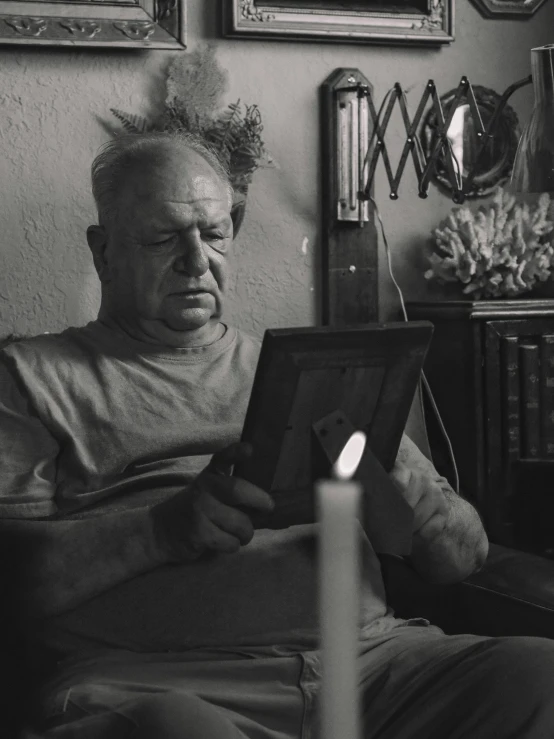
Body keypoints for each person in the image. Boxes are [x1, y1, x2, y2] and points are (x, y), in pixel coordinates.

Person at [1, 131, 553, 739]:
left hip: (372, 667)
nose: (196, 259)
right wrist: (158, 532)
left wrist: (429, 515)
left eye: (213, 234)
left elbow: (462, 559)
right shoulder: (30, 377)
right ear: (103, 252)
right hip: (160, 683)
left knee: (537, 674)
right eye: (163, 238)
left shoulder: (314, 369)